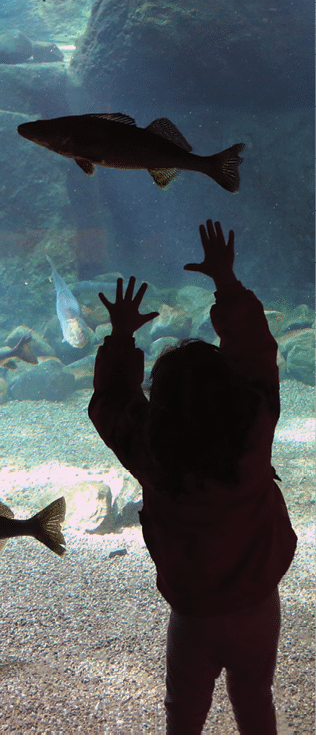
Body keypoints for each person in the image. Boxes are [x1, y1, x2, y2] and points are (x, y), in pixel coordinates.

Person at [88, 219, 297, 735]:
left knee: (183, 713)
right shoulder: (253, 431)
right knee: (255, 702)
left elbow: (112, 405)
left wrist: (119, 335)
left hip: (193, 611)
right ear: (233, 396)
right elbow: (255, 358)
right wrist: (226, 282)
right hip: (254, 603)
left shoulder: (153, 453)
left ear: (158, 409)